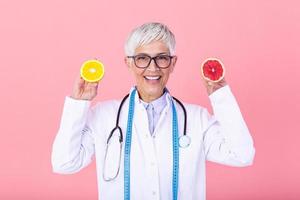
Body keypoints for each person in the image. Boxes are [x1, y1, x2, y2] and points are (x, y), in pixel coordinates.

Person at [51, 22, 255, 200]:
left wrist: (220, 96)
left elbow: (242, 155)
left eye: (162, 58)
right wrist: (78, 104)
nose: (153, 68)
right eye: (142, 58)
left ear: (172, 63)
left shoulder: (196, 118)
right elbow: (64, 163)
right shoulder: (103, 116)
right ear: (128, 63)